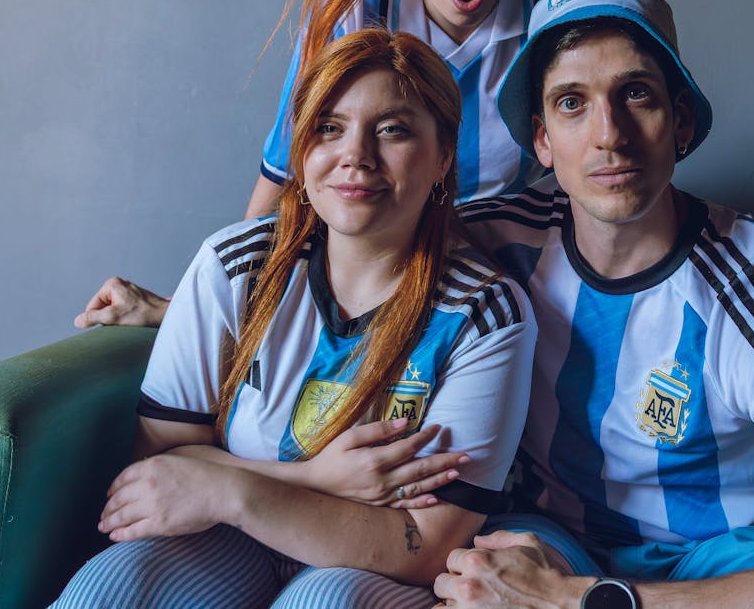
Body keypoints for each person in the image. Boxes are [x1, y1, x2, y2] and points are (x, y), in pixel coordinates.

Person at [280, 0, 754, 607]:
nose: (609, 135)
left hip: (720, 557)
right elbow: (334, 237)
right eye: (572, 103)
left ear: (680, 122)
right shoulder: (487, 243)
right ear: (541, 139)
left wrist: (592, 602)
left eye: (636, 95)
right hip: (547, 539)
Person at [53, 30, 536, 608]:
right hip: (232, 543)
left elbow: (429, 544)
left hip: (371, 569)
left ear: (443, 156)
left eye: (392, 130)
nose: (355, 155)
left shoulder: (485, 314)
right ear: (303, 152)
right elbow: (159, 465)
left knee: (322, 601)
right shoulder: (235, 265)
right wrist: (313, 479)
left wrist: (233, 491)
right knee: (112, 588)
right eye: (329, 128)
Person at [76, 0, 592, 330]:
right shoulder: (354, 7)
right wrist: (188, 310)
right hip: (387, 282)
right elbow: (288, 175)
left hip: (528, 285)